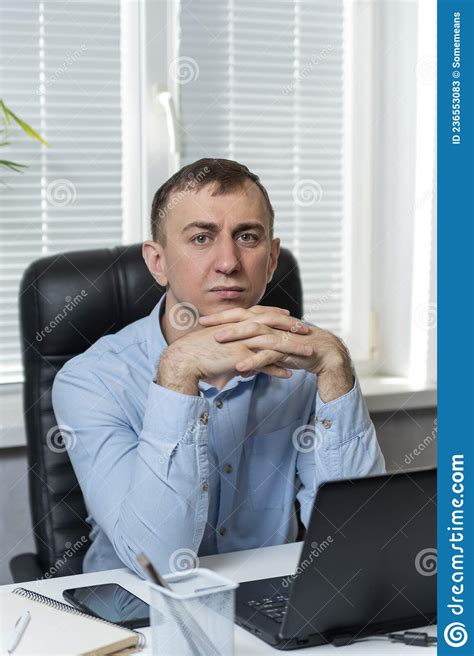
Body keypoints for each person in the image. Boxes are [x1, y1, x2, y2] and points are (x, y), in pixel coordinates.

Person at [52, 158, 385, 577]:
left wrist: (337, 373)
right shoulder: (91, 380)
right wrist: (176, 377)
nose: (228, 261)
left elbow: (357, 539)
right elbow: (157, 563)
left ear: (271, 259)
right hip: (139, 613)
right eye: (201, 238)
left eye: (247, 236)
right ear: (157, 262)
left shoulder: (311, 361)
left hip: (269, 601)